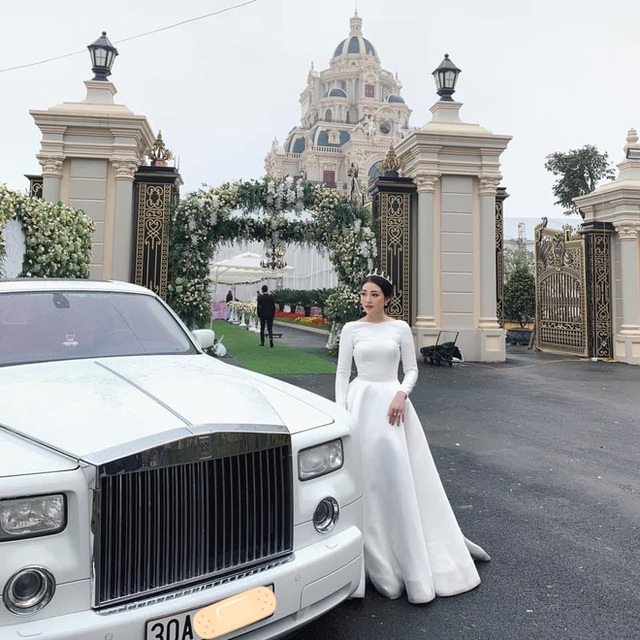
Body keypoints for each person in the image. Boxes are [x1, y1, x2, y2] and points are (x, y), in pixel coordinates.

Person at [335, 272, 490, 604]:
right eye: (363, 293)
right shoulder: (351, 329)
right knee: (364, 478)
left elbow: (413, 369)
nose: (367, 299)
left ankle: (408, 556)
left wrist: (401, 394)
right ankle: (366, 557)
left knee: (395, 476)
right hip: (360, 403)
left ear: (386, 298)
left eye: (374, 294)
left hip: (392, 406)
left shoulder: (400, 328)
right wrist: (340, 412)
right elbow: (342, 373)